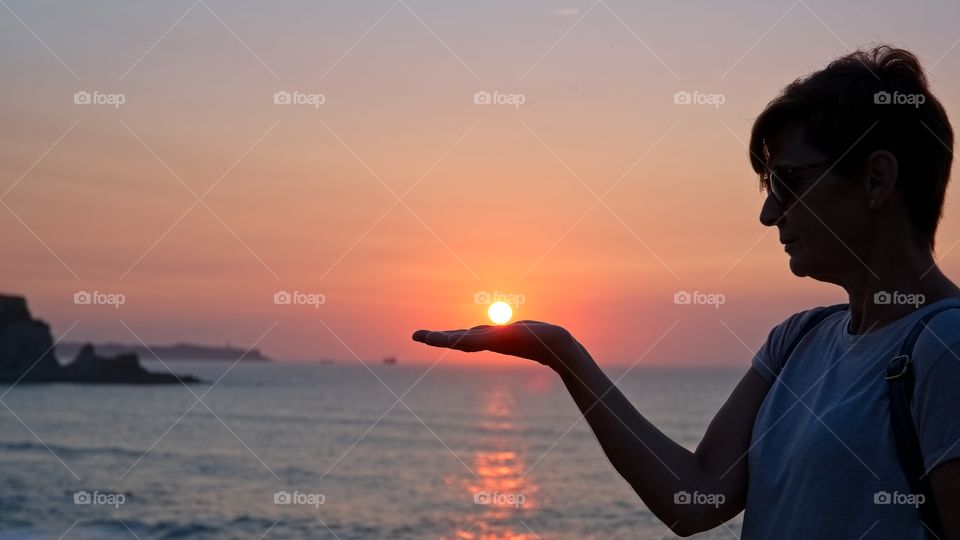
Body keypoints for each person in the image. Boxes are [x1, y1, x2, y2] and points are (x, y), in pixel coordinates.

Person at [411, 45, 960, 539]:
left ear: (875, 180)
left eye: (789, 182)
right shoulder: (798, 339)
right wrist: (565, 356)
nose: (770, 213)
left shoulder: (946, 347)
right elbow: (694, 500)